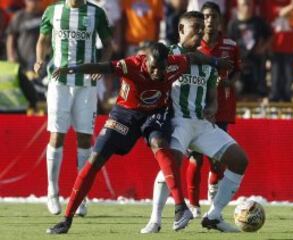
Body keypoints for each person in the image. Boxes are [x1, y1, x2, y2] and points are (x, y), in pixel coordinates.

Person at [45, 42, 233, 234]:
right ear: (145, 61)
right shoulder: (131, 64)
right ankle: (66, 219)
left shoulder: (176, 64)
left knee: (159, 144)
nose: (157, 73)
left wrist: (216, 62)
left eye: (162, 68)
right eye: (153, 67)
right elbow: (103, 67)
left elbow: (194, 57)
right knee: (94, 161)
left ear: (168, 63)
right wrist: (72, 69)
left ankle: (180, 207)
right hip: (125, 115)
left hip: (155, 113)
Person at [141, 11, 248, 234]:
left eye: (202, 27)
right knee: (171, 164)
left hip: (201, 124)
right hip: (177, 121)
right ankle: (155, 219)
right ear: (181, 30)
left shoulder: (207, 61)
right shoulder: (167, 54)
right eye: (195, 27)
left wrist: (212, 107)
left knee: (239, 160)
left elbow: (211, 96)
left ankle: (214, 216)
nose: (201, 31)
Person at [34, 0, 113, 216]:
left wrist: (102, 66)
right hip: (59, 82)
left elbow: (108, 45)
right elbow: (42, 39)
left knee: (85, 138)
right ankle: (52, 191)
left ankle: (81, 195)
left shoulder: (96, 13)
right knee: (57, 136)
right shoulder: (53, 11)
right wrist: (40, 59)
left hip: (86, 84)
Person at [185, 1, 242, 218]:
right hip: (197, 107)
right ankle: (193, 204)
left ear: (219, 20)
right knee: (195, 157)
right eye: (206, 16)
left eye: (213, 17)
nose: (209, 21)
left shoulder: (231, 45)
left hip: (223, 107)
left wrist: (230, 82)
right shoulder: (193, 47)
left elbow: (237, 70)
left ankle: (213, 186)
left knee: (219, 158)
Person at [227, 0, 272, 100]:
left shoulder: (259, 22)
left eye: (249, 4)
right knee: (239, 90)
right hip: (240, 62)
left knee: (258, 92)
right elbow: (229, 43)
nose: (247, 7)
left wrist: (262, 48)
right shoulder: (233, 24)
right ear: (238, 6)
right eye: (244, 4)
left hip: (257, 62)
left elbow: (269, 36)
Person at [6, 0, 44, 112]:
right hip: (22, 63)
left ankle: (39, 114)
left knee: (40, 92)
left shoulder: (45, 15)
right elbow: (10, 37)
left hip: (40, 63)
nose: (35, 3)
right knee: (24, 92)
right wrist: (10, 56)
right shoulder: (19, 16)